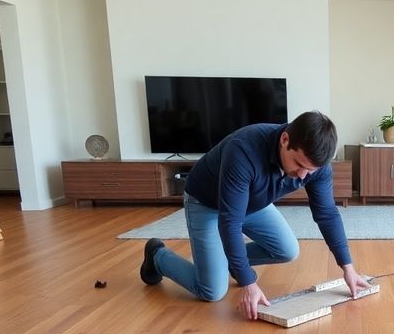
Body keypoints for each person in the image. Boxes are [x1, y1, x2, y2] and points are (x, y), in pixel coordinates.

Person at [139, 111, 370, 319]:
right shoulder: (243, 150)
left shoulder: (315, 165)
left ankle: (231, 262)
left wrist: (347, 267)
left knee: (287, 249)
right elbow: (229, 221)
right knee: (212, 290)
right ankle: (157, 256)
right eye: (298, 164)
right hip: (207, 203)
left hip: (252, 202)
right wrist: (248, 281)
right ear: (285, 139)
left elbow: (327, 214)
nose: (302, 176)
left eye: (310, 171)